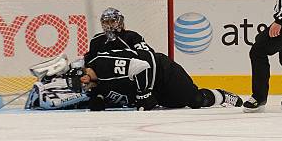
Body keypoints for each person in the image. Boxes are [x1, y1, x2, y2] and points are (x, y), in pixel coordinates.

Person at [81, 48, 243, 111]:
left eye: (82, 83)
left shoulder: (102, 65)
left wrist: (144, 93)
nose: (84, 87)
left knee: (194, 99)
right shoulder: (97, 85)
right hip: (155, 89)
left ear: (85, 76)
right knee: (178, 105)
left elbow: (141, 66)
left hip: (163, 72)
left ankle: (221, 95)